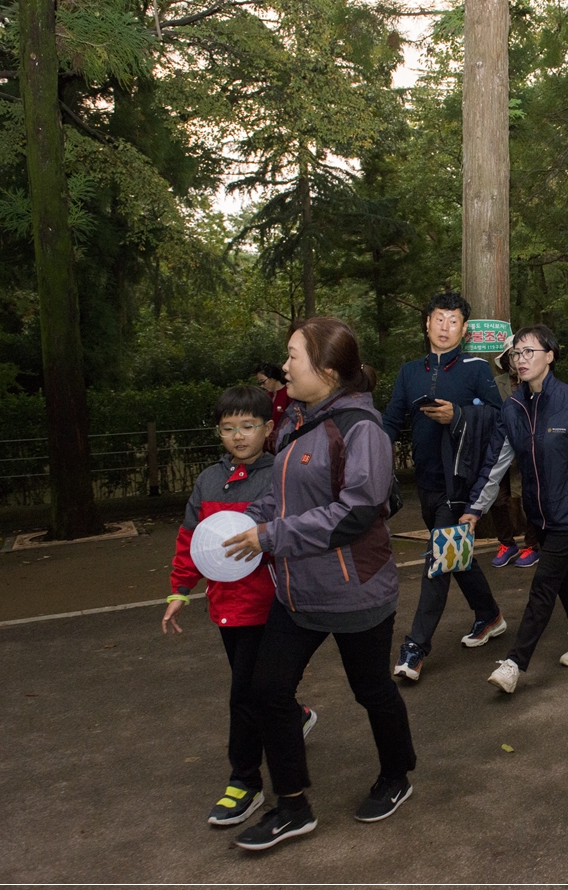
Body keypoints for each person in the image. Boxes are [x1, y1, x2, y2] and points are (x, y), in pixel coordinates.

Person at [223, 317, 416, 851]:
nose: (284, 367)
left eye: (293, 357)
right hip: (297, 590)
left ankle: (397, 774)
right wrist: (246, 524)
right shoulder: (296, 421)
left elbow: (356, 514)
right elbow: (278, 496)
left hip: (355, 592)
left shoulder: (363, 430)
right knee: (266, 691)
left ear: (327, 370)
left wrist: (272, 536)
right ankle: (292, 806)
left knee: (372, 689)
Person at [160, 385, 315, 827]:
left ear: (268, 428)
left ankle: (244, 781)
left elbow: (295, 531)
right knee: (256, 687)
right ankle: (295, 713)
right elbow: (192, 541)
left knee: (244, 694)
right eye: (229, 429)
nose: (239, 436)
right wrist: (178, 591)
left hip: (274, 605)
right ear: (218, 432)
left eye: (248, 426)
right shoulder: (209, 480)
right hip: (227, 607)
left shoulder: (280, 472)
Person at [459, 324, 568, 694]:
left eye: (529, 351)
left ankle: (515, 662)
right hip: (540, 512)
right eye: (516, 353)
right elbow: (494, 463)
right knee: (564, 577)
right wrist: (475, 509)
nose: (521, 359)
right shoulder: (513, 407)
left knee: (544, 583)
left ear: (550, 355)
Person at [381, 292, 508, 682]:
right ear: (427, 323)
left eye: (453, 321)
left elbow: (500, 418)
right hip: (427, 479)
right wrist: (372, 457)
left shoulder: (476, 368)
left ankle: (415, 647)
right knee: (455, 553)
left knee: (437, 561)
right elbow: (390, 421)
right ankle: (489, 616)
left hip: (460, 481)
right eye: (439, 319)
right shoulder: (409, 371)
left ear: (464, 329)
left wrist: (458, 415)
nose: (445, 327)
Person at [489, 342, 541, 569]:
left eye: (523, 353)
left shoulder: (537, 381)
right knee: (497, 499)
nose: (518, 359)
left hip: (530, 451)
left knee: (530, 499)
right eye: (514, 355)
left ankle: (533, 545)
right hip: (501, 450)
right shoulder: (496, 384)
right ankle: (506, 543)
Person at [256, 362, 291, 452]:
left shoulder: (289, 393)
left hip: (283, 443)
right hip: (267, 445)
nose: (262, 386)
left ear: (272, 377)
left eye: (263, 381)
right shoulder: (266, 396)